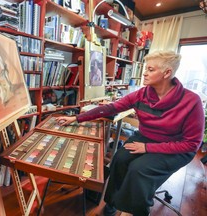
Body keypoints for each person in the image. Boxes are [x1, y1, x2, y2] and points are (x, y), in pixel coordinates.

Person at [56, 51, 205, 216]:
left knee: (139, 170)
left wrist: (147, 148)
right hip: (145, 138)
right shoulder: (142, 94)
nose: (144, 73)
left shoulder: (191, 101)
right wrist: (77, 118)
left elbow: (192, 144)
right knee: (119, 160)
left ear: (167, 73)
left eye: (150, 69)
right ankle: (111, 203)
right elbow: (112, 108)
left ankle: (139, 211)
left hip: (177, 147)